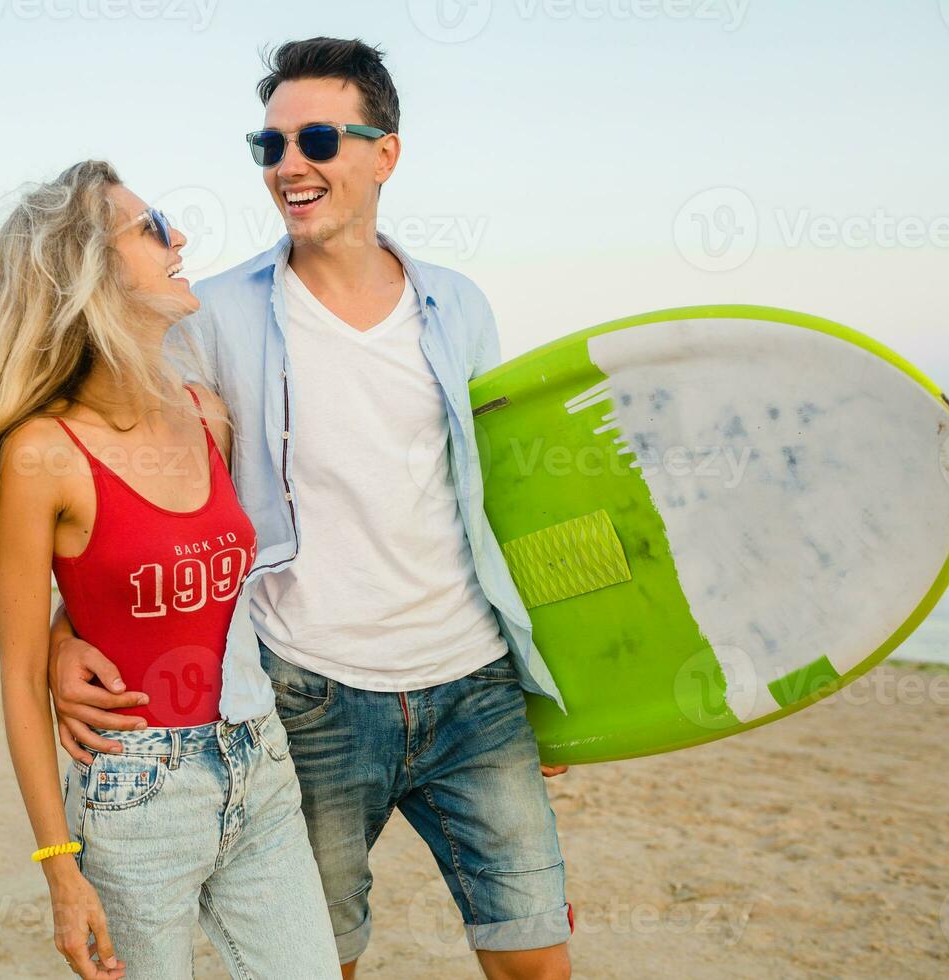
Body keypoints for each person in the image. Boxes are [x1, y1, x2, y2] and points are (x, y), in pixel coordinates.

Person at [49, 38, 574, 979]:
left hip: (477, 688)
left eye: (320, 138)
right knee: (317, 960)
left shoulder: (459, 306)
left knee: (535, 952)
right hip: (309, 696)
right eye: (272, 144)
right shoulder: (208, 316)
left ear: (386, 153)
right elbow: (145, 498)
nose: (291, 164)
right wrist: (64, 632)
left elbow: (506, 502)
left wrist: (550, 676)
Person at [0, 161, 339, 979]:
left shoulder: (209, 415)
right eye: (153, 225)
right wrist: (61, 869)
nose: (180, 238)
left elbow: (197, 585)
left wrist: (73, 628)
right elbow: (20, 682)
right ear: (89, 272)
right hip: (136, 795)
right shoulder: (42, 458)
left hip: (258, 762)